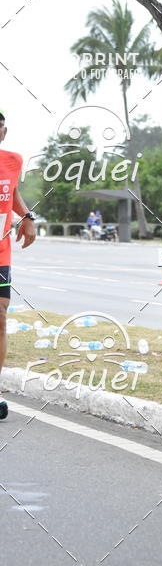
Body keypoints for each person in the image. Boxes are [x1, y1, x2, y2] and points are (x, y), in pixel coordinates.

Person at [0, 111, 37, 420]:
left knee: (0, 316)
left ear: (4, 132)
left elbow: (10, 192)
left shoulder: (13, 160)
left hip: (1, 253)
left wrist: (27, 216)